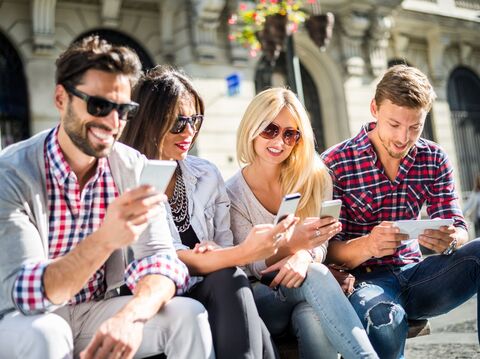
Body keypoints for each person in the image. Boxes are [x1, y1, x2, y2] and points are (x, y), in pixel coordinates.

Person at [0, 36, 215, 359]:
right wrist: (105, 238)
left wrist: (131, 316)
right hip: (19, 320)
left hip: (93, 310)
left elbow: (162, 261)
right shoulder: (12, 172)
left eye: (123, 110)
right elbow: (30, 295)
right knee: (49, 333)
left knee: (188, 314)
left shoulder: (130, 165)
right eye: (99, 106)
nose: (113, 123)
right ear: (61, 99)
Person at [120, 66, 294, 358]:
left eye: (194, 120)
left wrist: (218, 251)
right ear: (150, 121)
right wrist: (244, 252)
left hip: (211, 291)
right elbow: (160, 257)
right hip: (156, 297)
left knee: (230, 277)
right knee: (232, 280)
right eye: (178, 123)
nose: (189, 132)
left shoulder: (206, 173)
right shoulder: (127, 176)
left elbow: (224, 248)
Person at [321, 64, 480, 359]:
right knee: (384, 320)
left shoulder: (433, 157)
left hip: (419, 275)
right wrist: (368, 244)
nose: (403, 138)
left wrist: (451, 239)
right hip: (365, 282)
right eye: (394, 124)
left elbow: (459, 226)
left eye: (414, 127)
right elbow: (325, 251)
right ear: (374, 109)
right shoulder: (334, 162)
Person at [226, 87, 378, 359]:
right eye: (270, 130)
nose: (280, 142)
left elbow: (321, 245)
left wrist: (305, 257)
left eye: (290, 134)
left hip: (305, 290)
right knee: (317, 275)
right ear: (251, 128)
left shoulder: (315, 176)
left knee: (312, 315)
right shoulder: (232, 192)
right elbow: (254, 266)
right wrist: (292, 247)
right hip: (261, 299)